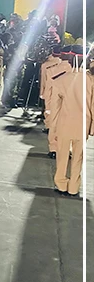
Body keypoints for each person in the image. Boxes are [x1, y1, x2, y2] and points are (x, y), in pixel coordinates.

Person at [51, 46, 91, 197]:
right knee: (78, 158)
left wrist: (53, 128)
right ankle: (74, 187)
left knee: (62, 156)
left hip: (64, 124)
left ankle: (61, 184)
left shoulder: (61, 80)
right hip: (83, 125)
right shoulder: (90, 80)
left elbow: (55, 108)